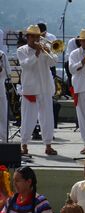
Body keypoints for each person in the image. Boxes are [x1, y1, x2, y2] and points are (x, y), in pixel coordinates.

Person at [17, 25, 58, 156]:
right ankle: (24, 144)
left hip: (45, 88)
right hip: (30, 89)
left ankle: (48, 145)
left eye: (38, 37)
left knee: (47, 118)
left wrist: (49, 52)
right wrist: (37, 54)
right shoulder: (21, 50)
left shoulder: (45, 49)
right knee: (28, 118)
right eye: (33, 36)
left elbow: (53, 63)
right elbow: (26, 65)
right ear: (28, 37)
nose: (36, 39)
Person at [0, 47, 11, 142]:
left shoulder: (2, 54)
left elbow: (8, 72)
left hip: (0, 89)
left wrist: (1, 69)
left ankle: (3, 139)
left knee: (3, 115)